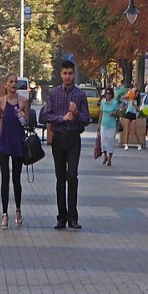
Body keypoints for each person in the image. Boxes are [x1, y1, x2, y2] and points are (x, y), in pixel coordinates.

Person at [44, 60, 90, 230]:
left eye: (70, 73)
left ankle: (73, 217)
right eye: (65, 73)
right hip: (59, 138)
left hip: (73, 139)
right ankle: (61, 217)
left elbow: (86, 119)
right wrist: (62, 118)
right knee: (60, 178)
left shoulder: (80, 95)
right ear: (61, 74)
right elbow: (45, 115)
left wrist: (76, 113)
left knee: (72, 176)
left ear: (74, 74)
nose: (68, 76)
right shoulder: (54, 93)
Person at [0, 75, 29, 229]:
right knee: (5, 177)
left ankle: (18, 209)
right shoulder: (0, 102)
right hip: (4, 143)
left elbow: (28, 123)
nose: (13, 84)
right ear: (6, 84)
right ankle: (4, 213)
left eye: (16, 82)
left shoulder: (23, 101)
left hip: (17, 143)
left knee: (16, 179)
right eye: (11, 82)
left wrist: (24, 117)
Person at [98, 86, 119, 166]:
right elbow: (101, 113)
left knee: (110, 142)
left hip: (112, 125)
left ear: (111, 95)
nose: (108, 95)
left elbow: (118, 114)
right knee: (103, 142)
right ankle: (105, 156)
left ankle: (110, 158)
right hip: (104, 124)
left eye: (109, 94)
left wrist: (114, 114)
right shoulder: (103, 102)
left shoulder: (114, 103)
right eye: (106, 93)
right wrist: (99, 124)